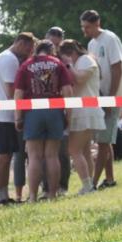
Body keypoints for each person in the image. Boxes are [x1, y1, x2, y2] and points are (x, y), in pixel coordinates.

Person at [13, 40, 74, 202]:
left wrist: (18, 116)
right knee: (52, 156)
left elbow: (18, 93)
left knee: (34, 157)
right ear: (51, 50)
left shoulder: (26, 65)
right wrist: (69, 115)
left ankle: (32, 196)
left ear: (35, 49)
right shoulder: (58, 64)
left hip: (33, 111)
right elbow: (68, 91)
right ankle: (52, 195)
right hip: (55, 110)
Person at [80, 10, 122, 190]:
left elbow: (117, 68)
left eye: (87, 27)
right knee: (104, 139)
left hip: (112, 96)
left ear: (97, 23)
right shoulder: (91, 44)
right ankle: (109, 179)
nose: (84, 31)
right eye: (83, 27)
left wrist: (111, 98)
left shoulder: (109, 39)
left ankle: (93, 183)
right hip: (100, 97)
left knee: (103, 141)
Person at [0, 33, 36, 206]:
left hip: (0, 115)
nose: (29, 53)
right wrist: (20, 113)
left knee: (6, 157)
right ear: (21, 44)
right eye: (28, 49)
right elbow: (12, 91)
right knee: (3, 157)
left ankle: (3, 196)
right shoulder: (10, 60)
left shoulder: (3, 57)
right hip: (5, 116)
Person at [57, 40, 104, 194]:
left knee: (74, 149)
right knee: (84, 151)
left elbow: (79, 79)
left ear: (71, 53)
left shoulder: (86, 60)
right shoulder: (81, 61)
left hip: (86, 111)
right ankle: (88, 184)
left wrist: (69, 65)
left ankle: (88, 186)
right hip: (82, 110)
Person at [45, 26, 71, 194]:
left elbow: (68, 86)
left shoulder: (64, 60)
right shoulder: (35, 60)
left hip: (59, 108)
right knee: (42, 152)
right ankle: (46, 187)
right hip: (41, 109)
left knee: (62, 150)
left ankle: (62, 186)